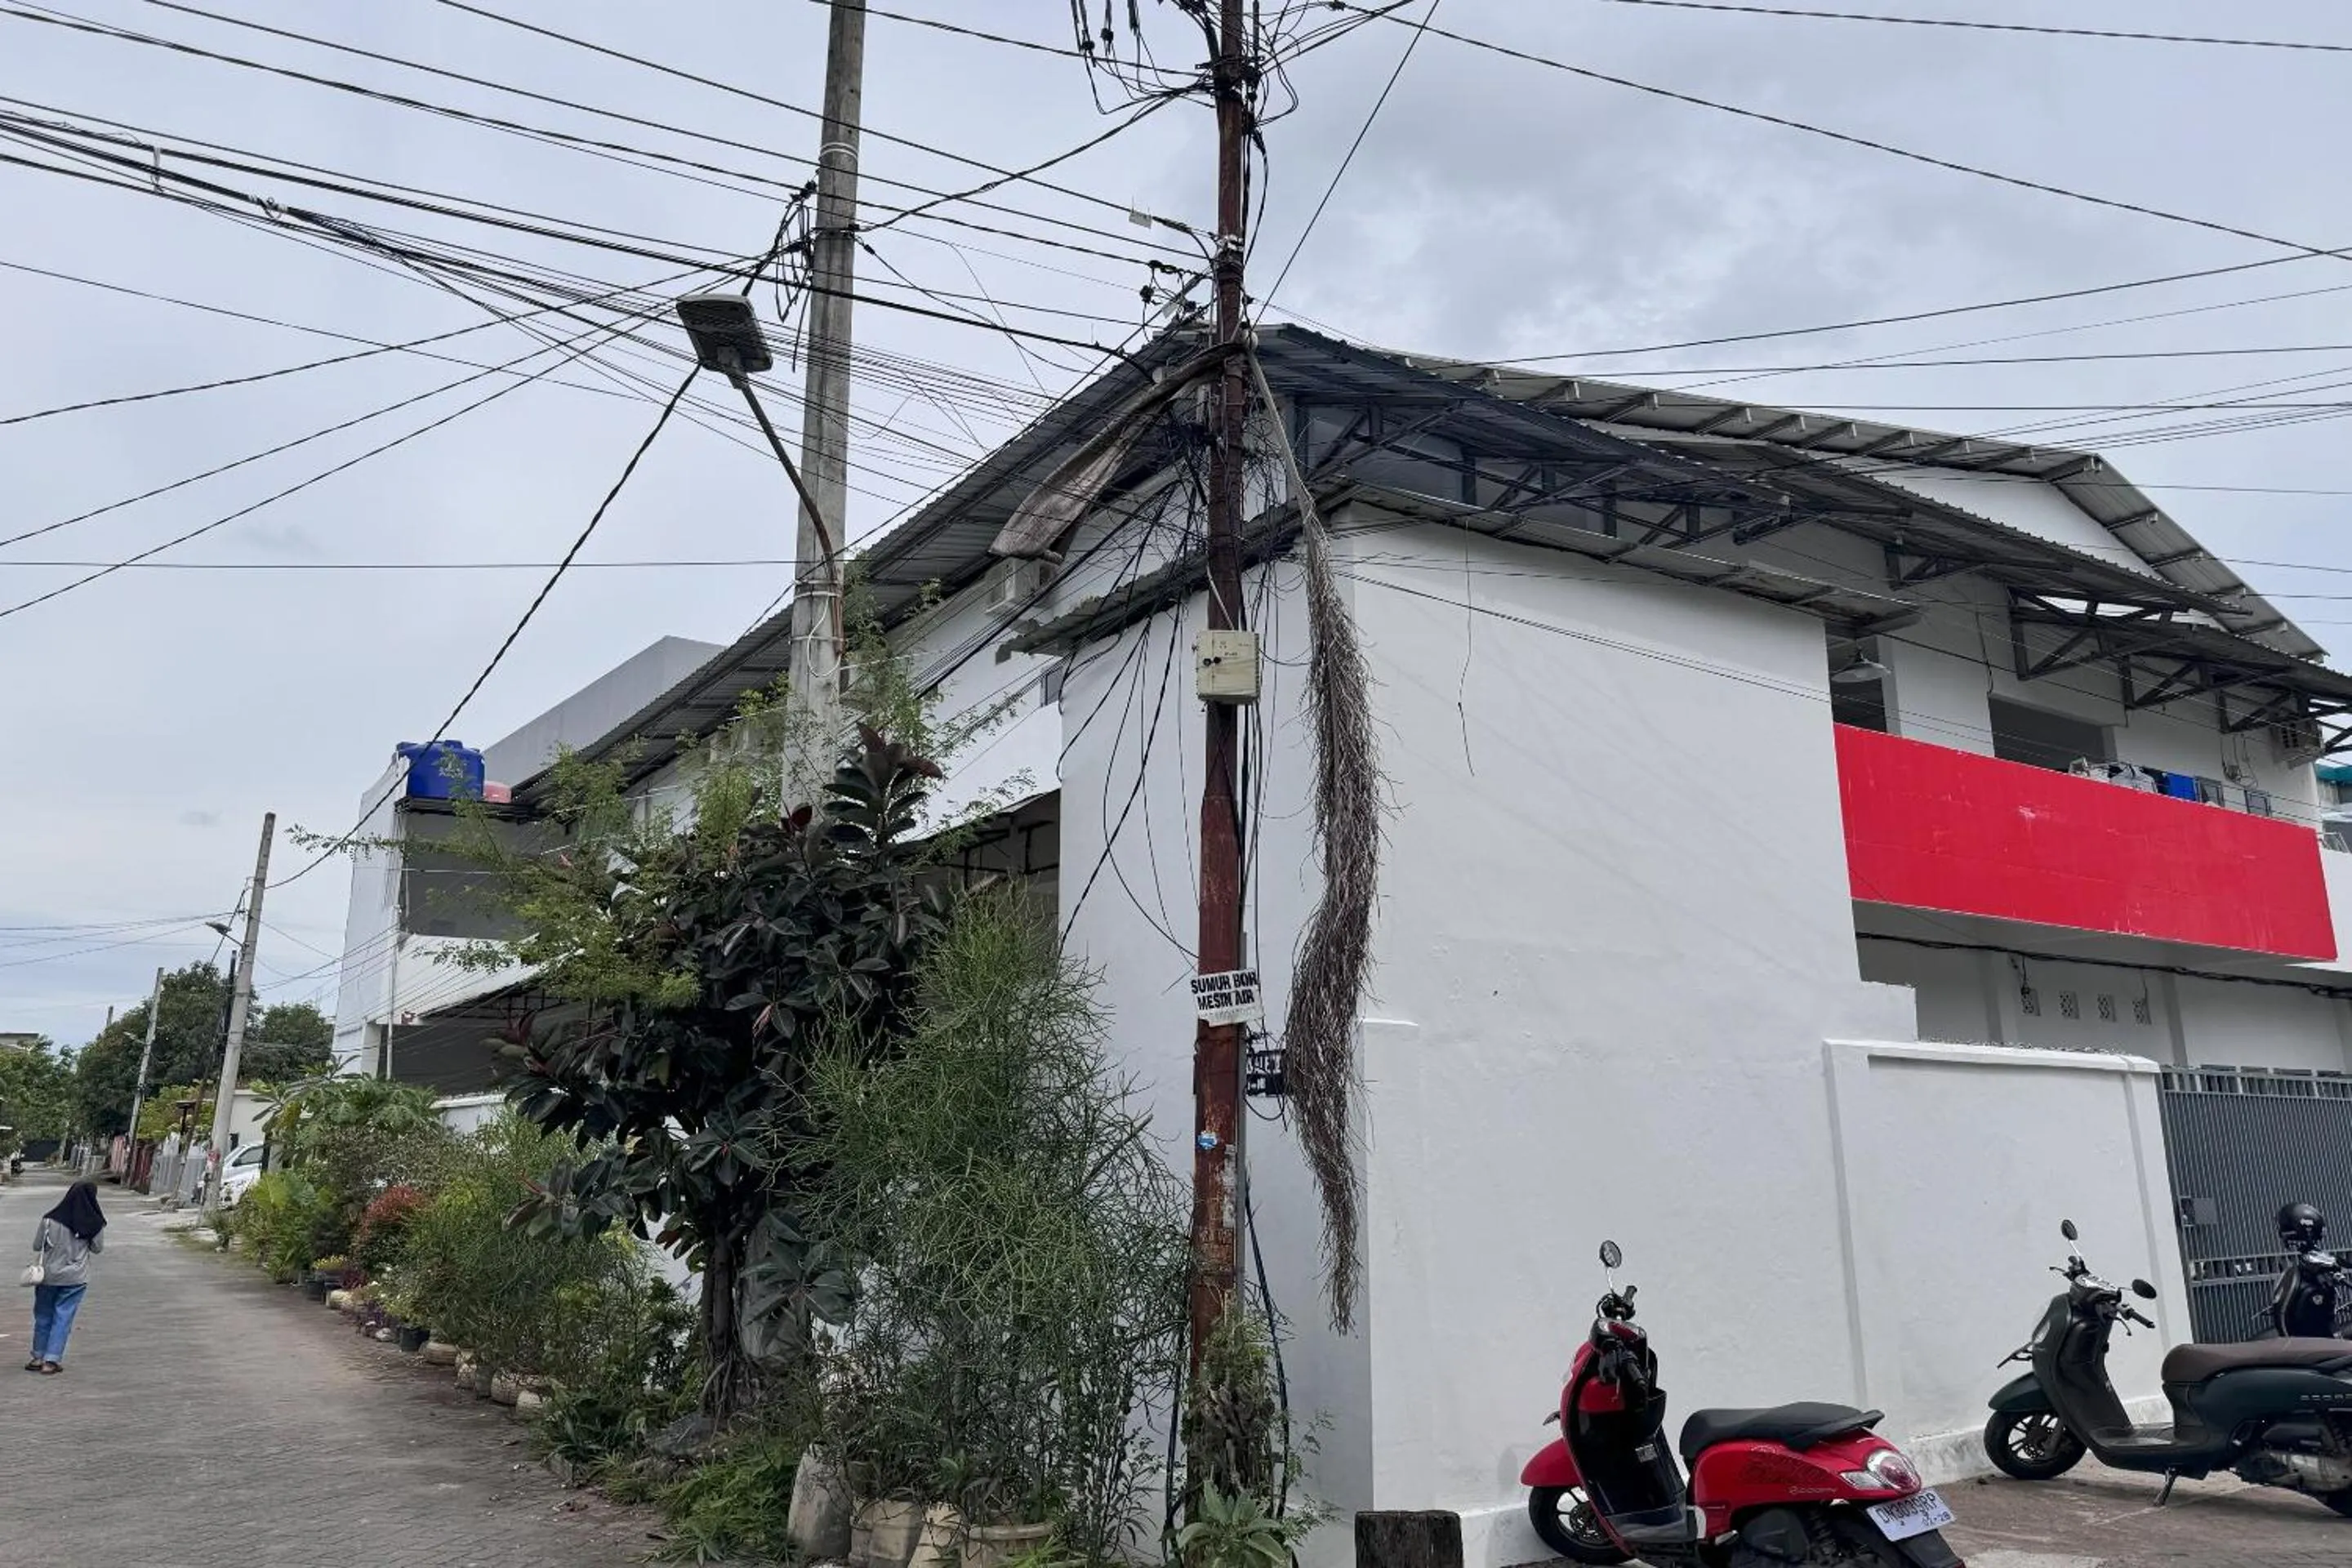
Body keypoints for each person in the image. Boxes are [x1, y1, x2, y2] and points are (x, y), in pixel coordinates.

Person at [25, 1179, 105, 1374]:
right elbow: (97, 1249)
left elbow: (37, 1246)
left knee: (43, 1315)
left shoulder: (49, 1220)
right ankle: (51, 1361)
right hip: (76, 1278)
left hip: (48, 1276)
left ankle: (37, 1357)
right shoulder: (95, 1222)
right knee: (63, 1317)